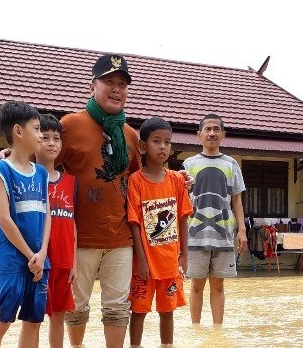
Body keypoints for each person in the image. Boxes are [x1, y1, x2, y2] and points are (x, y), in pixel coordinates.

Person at [58, 54, 142, 348]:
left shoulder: (130, 135)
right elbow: (42, 166)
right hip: (78, 237)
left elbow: (138, 184)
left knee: (118, 306)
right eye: (109, 82)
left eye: (122, 84)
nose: (116, 89)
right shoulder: (70, 125)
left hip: (120, 238)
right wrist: (12, 158)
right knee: (76, 305)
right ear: (92, 86)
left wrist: (178, 180)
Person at [0, 101, 51, 348]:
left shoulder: (41, 173)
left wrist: (42, 253)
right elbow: (3, 218)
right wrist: (31, 255)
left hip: (40, 259)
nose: (41, 134)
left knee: (34, 322)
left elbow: (47, 214)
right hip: (12, 258)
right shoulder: (0, 169)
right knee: (2, 321)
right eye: (36, 128)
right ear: (18, 132)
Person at [127, 117, 192, 348]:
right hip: (143, 263)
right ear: (143, 146)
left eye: (167, 142)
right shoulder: (135, 181)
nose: (163, 146)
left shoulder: (176, 180)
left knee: (168, 311)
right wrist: (142, 260)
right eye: (156, 141)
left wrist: (184, 255)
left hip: (170, 262)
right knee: (138, 311)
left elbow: (183, 217)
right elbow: (134, 222)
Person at [181, 114, 248, 325]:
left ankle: (218, 331)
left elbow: (236, 200)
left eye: (216, 129)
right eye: (207, 129)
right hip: (194, 235)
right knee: (196, 285)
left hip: (224, 235)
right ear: (199, 135)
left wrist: (242, 230)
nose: (212, 133)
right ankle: (196, 329)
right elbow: (181, 201)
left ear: (223, 135)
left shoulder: (231, 164)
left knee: (218, 285)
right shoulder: (188, 164)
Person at [34, 114, 77, 348]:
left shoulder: (71, 181)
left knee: (59, 316)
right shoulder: (28, 178)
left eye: (56, 138)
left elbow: (73, 222)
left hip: (64, 261)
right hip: (39, 262)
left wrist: (74, 263)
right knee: (34, 317)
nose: (51, 143)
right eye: (44, 138)